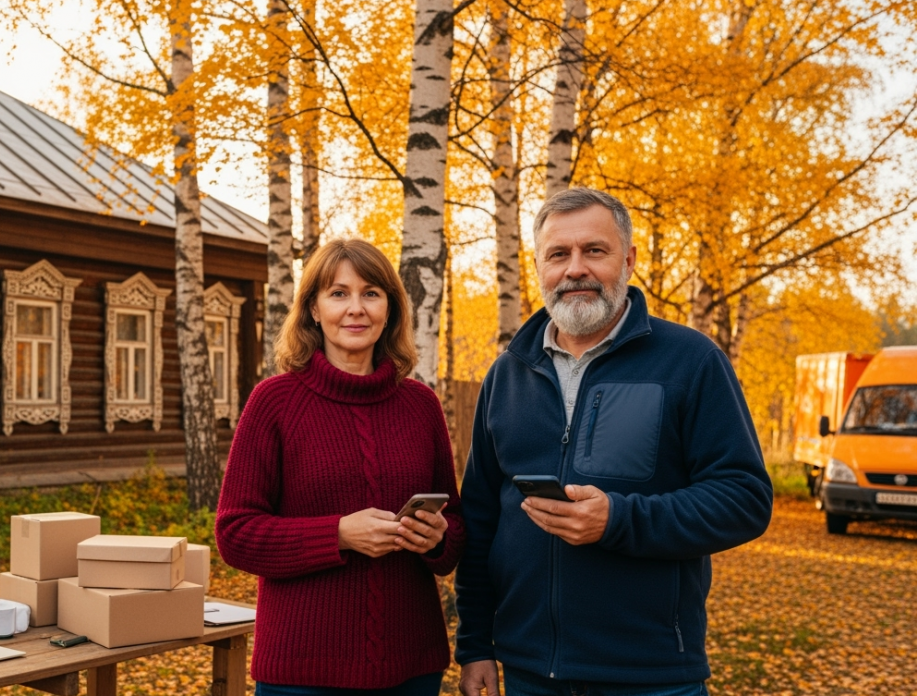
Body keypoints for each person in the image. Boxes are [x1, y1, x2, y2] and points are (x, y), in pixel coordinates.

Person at [455, 188, 773, 696]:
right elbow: (480, 521)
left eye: (594, 251)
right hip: (528, 673)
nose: (575, 269)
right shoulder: (507, 375)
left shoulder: (690, 361)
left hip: (651, 676)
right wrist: (474, 645)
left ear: (627, 260)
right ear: (539, 267)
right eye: (558, 254)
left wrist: (618, 520)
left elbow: (744, 499)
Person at [216, 238, 465, 695]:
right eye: (338, 293)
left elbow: (455, 531)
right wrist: (338, 534)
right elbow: (235, 534)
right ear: (312, 308)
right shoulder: (273, 402)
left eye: (371, 293)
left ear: (390, 308)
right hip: (302, 672)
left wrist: (437, 537)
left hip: (412, 667)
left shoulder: (420, 404)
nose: (356, 308)